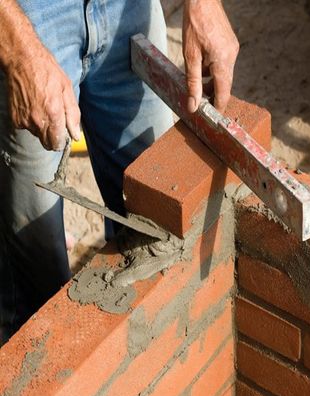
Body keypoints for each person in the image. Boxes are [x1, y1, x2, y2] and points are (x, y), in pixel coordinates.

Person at [0, 0, 239, 344]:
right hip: (27, 19)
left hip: (127, 10)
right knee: (37, 284)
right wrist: (18, 53)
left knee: (155, 228)